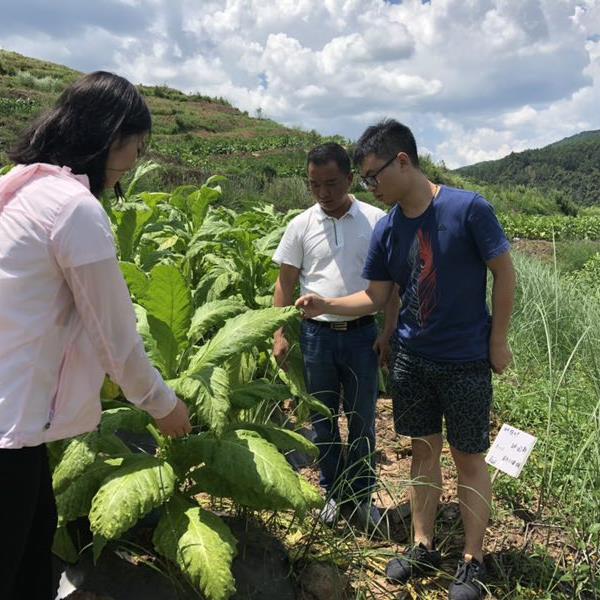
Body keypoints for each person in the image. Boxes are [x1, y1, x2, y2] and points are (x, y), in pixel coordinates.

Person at [296, 120, 515, 600]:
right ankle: (422, 545)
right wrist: (326, 304)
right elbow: (375, 297)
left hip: (465, 360)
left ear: (402, 161)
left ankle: (473, 560)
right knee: (422, 451)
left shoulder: (468, 208)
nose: (370, 187)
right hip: (412, 359)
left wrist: (498, 340)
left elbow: (504, 272)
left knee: (468, 457)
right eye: (365, 180)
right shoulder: (389, 227)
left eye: (373, 176)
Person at [0, 71, 192, 600]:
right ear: (109, 137)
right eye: (136, 147)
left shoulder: (20, 188)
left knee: (34, 544)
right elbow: (116, 337)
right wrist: (163, 405)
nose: (133, 161)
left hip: (16, 422)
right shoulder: (73, 208)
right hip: (8, 424)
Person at [273, 142, 399, 529]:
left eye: (331, 183)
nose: (323, 193)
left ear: (350, 178)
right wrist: (279, 332)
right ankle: (332, 493)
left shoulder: (376, 220)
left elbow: (392, 286)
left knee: (362, 419)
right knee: (323, 419)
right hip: (316, 337)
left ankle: (361, 495)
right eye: (314, 185)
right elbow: (285, 283)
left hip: (362, 335)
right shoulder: (300, 225)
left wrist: (388, 332)